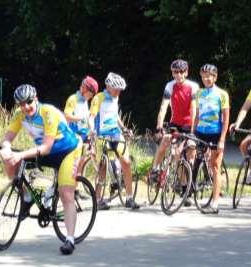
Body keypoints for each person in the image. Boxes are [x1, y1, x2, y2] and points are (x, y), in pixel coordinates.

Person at [0, 84, 82, 255]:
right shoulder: (20, 115)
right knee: (9, 160)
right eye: (20, 104)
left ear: (35, 99)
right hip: (45, 150)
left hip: (67, 150)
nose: (25, 107)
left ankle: (70, 239)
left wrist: (21, 155)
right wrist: (5, 148)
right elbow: (7, 138)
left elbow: (45, 148)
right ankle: (27, 195)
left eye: (28, 102)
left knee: (66, 193)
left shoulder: (48, 112)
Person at [150, 59, 199, 206]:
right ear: (172, 73)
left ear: (186, 72)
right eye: (176, 72)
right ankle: (155, 170)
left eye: (181, 72)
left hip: (189, 124)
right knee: (167, 142)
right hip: (175, 123)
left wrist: (192, 131)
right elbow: (163, 107)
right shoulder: (169, 86)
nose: (178, 75)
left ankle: (187, 185)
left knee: (188, 152)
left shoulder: (193, 86)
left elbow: (194, 108)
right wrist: (159, 126)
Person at [88, 72, 140, 210]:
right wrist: (92, 130)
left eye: (120, 91)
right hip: (101, 135)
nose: (118, 93)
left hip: (115, 134)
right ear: (108, 86)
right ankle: (98, 200)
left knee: (126, 163)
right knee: (102, 168)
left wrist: (123, 128)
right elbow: (91, 117)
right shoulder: (98, 98)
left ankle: (129, 198)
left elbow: (115, 114)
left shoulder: (115, 97)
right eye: (116, 90)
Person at [193, 64, 230, 214]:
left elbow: (226, 119)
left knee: (215, 166)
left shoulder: (222, 94)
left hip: (215, 132)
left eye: (209, 76)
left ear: (215, 77)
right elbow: (197, 115)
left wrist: (222, 140)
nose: (206, 79)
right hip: (200, 132)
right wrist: (192, 132)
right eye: (203, 76)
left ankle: (215, 202)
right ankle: (191, 189)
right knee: (195, 159)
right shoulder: (199, 93)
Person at [64, 75, 99, 141]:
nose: (91, 97)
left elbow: (87, 119)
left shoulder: (84, 101)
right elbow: (67, 116)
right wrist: (81, 118)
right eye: (90, 94)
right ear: (84, 89)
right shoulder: (73, 99)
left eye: (92, 95)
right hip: (73, 133)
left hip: (83, 133)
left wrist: (92, 130)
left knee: (93, 144)